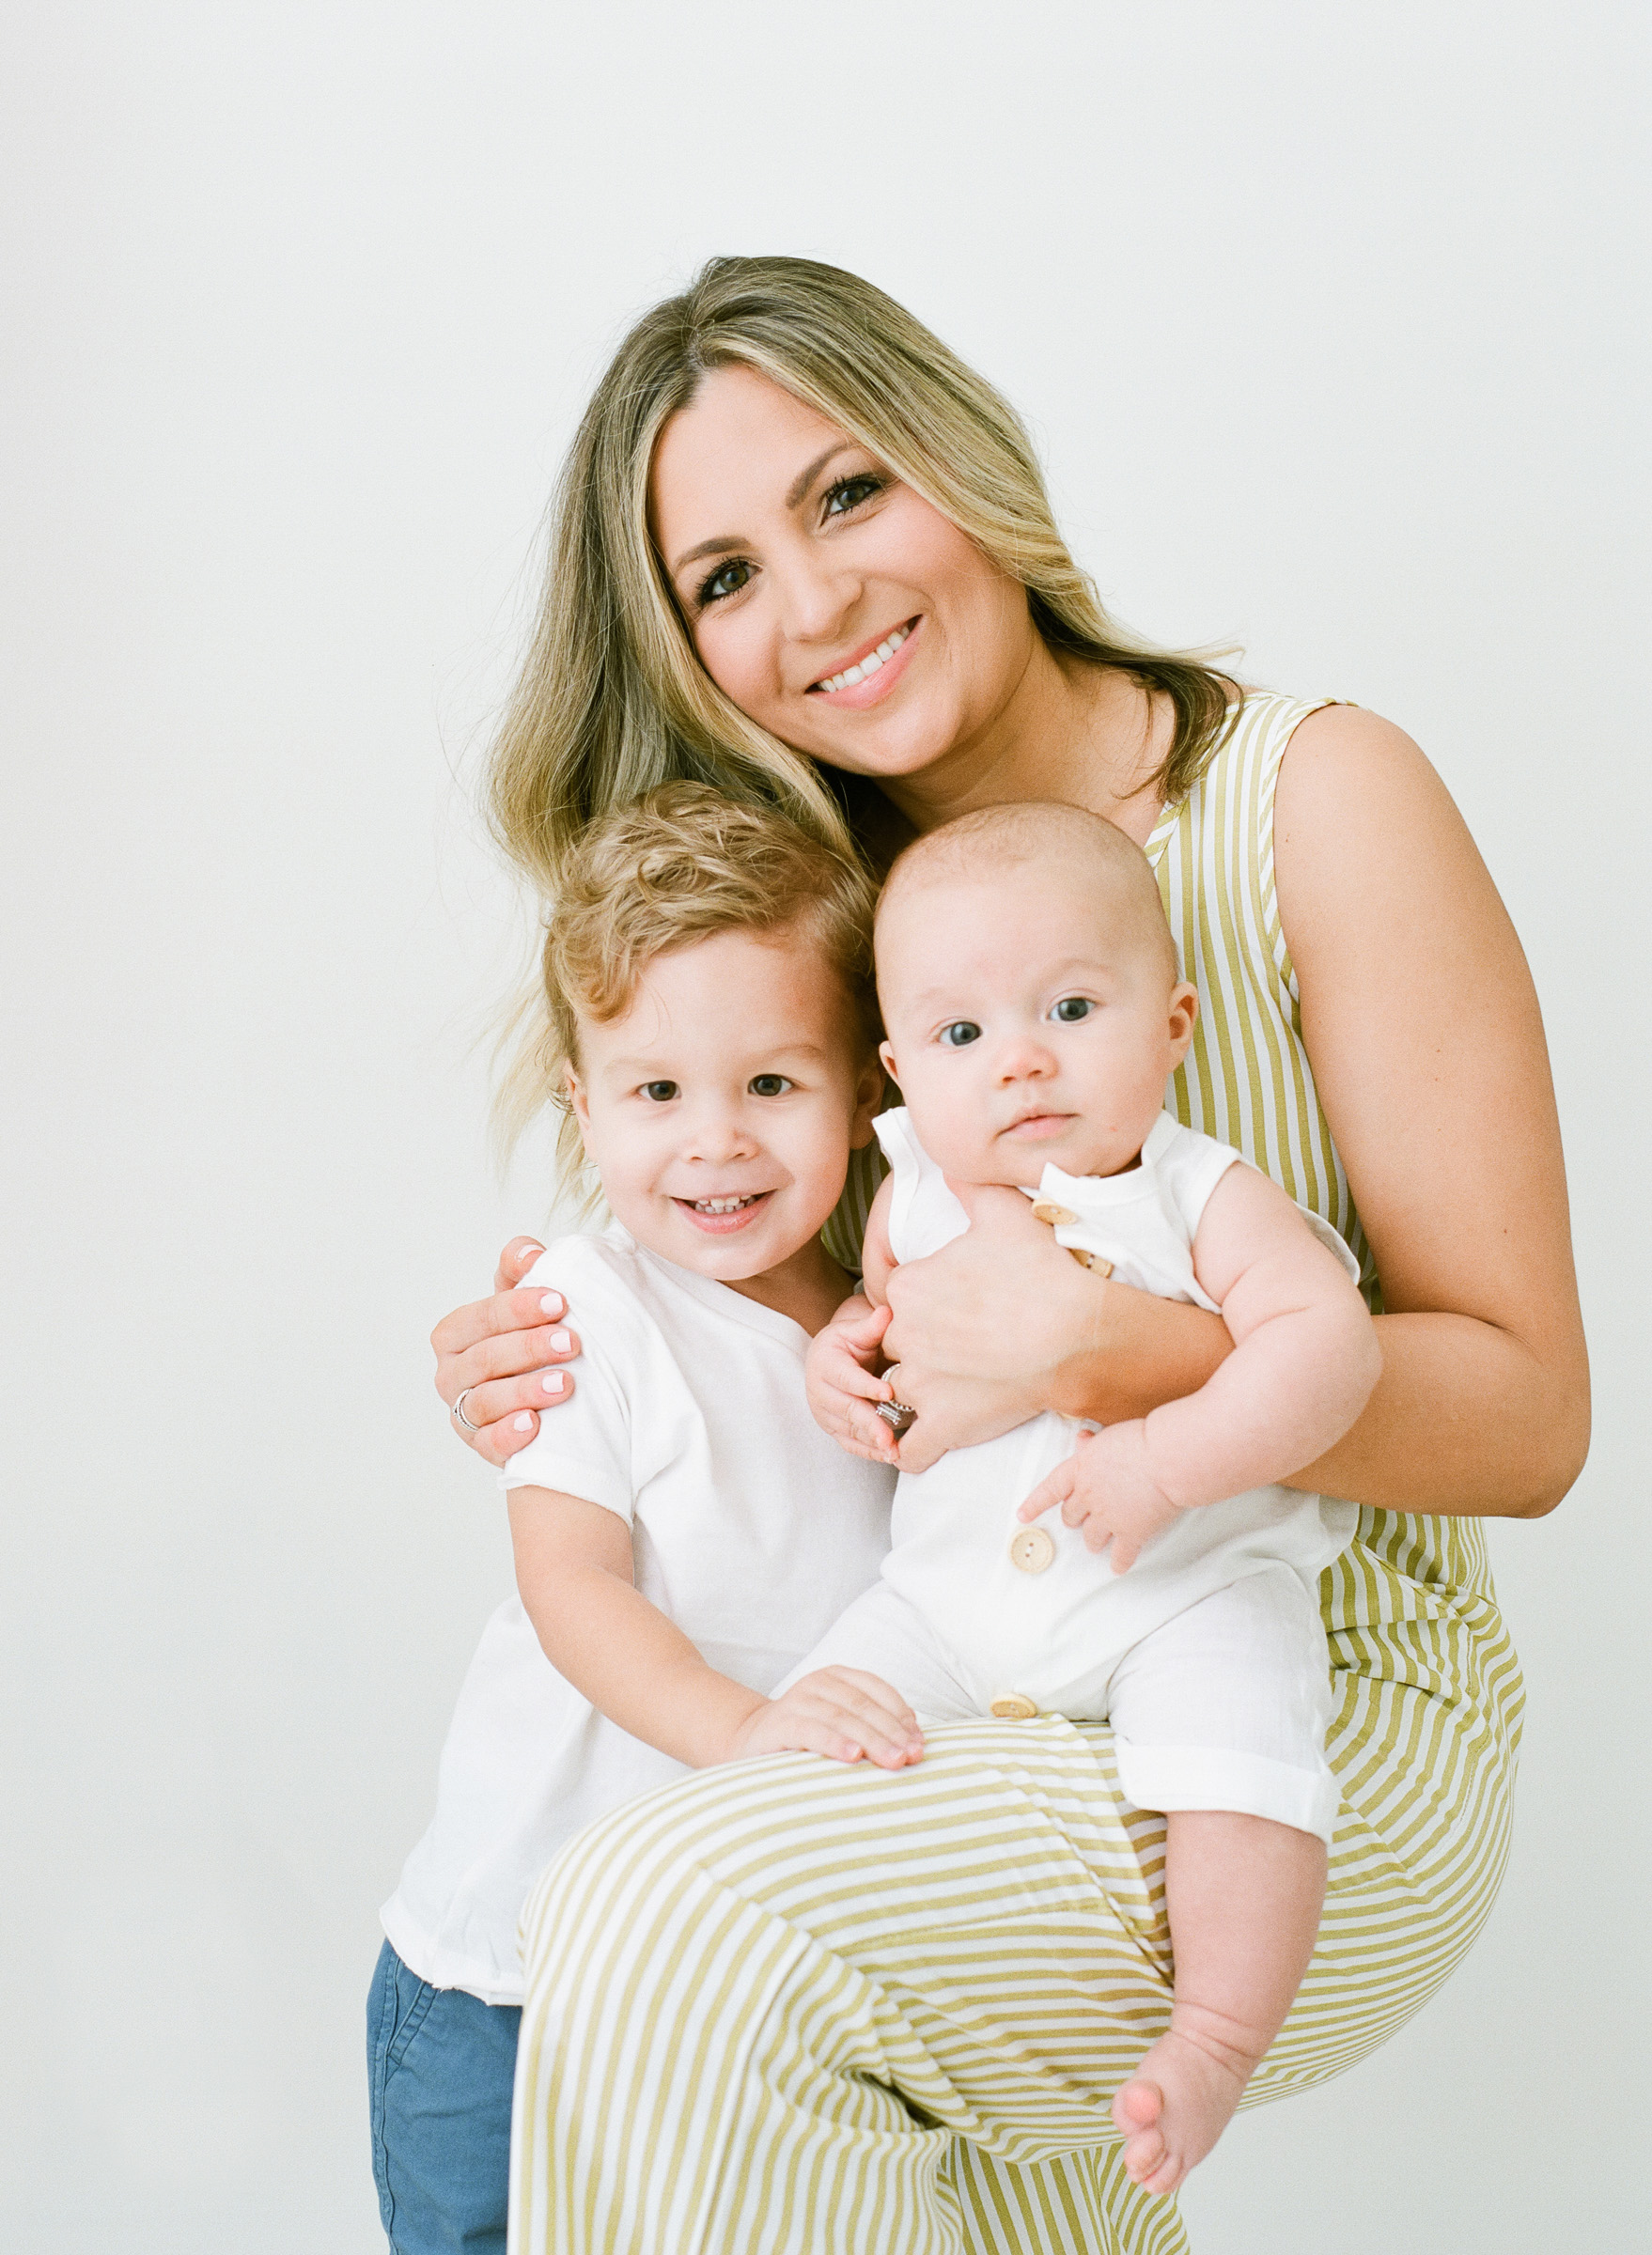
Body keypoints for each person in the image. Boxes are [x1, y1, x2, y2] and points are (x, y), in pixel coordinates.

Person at [429, 257, 1587, 2254]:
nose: (808, 607)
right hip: (962, 1652)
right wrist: (563, 1348)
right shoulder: (825, 915)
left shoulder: (1309, 802)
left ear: (961, 462)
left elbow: (1533, 1419)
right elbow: (822, 1331)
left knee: (676, 1915)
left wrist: (1122, 1360)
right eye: (718, 580)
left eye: (846, 494)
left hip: (1293, 1699)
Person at [784, 798, 1380, 2194]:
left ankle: (1217, 2031)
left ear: (1171, 1023)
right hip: (941, 1608)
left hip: (1176, 1594)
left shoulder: (1196, 1193)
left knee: (1241, 1759)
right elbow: (886, 1335)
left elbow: (1327, 1346)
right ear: (897, 1069)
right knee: (801, 1728)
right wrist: (839, 1366)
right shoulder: (908, 1192)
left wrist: (1168, 1463)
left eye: (1068, 1006)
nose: (1022, 1062)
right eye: (960, 1035)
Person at [370, 789, 912, 2255]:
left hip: (715, 1990)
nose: (714, 1145)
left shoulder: (890, 1321)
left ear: (864, 1088)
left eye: (772, 1085)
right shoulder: (586, 1311)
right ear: (581, 1098)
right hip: (508, 1990)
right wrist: (741, 1731)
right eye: (655, 1092)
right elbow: (574, 1586)